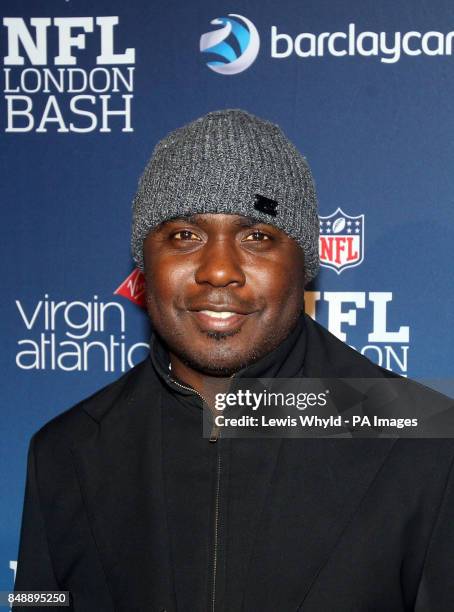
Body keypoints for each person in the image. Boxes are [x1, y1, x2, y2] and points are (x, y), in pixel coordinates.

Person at [13, 109, 454, 611]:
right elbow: (36, 601)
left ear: (303, 265)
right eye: (185, 235)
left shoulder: (425, 441)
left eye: (257, 236)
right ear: (143, 263)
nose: (219, 270)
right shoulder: (65, 452)